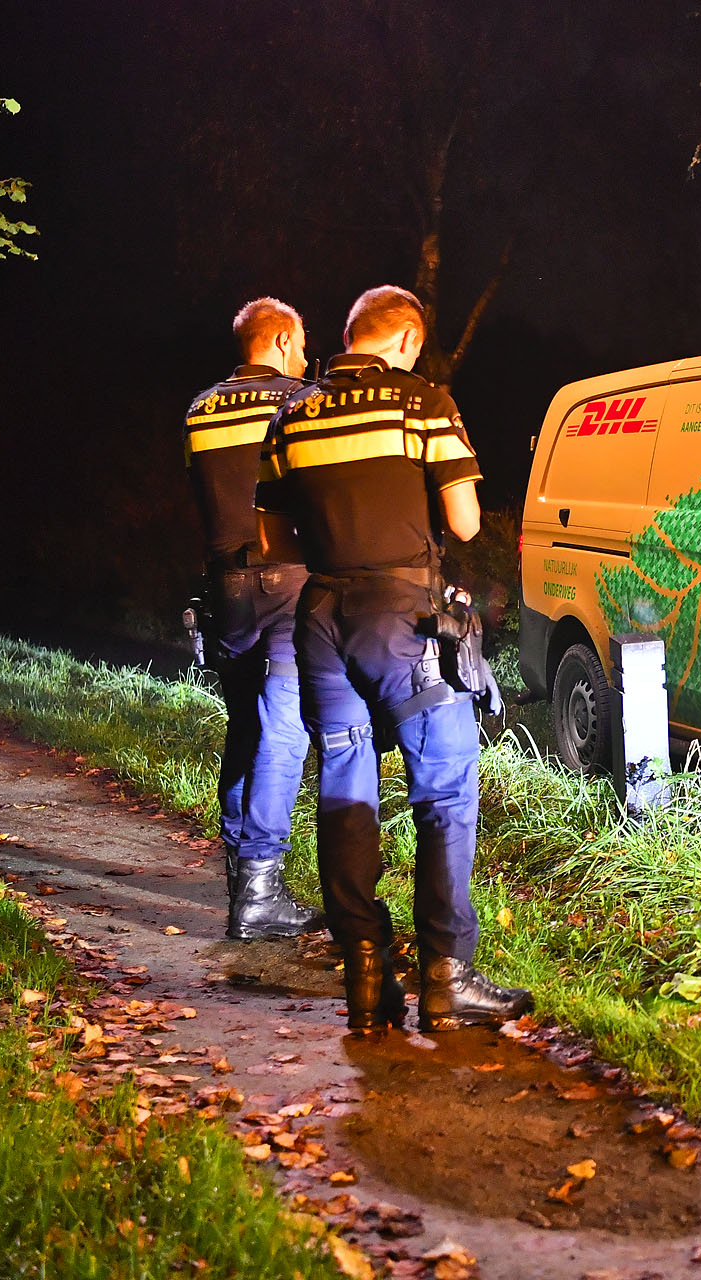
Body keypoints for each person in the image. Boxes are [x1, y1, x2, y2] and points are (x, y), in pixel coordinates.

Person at [258, 285, 529, 1032]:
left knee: (345, 783)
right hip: (403, 619)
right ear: (407, 339)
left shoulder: (293, 413)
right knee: (444, 788)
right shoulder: (422, 403)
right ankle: (448, 977)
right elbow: (468, 525)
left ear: (349, 336)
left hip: (319, 621)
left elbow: (276, 540)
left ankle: (366, 970)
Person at [184, 297, 323, 940]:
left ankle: (241, 881)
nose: (304, 354)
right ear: (281, 338)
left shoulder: (199, 408)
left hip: (225, 586)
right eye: (300, 343)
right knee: (286, 726)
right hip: (289, 576)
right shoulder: (301, 401)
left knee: (245, 721)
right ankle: (262, 884)